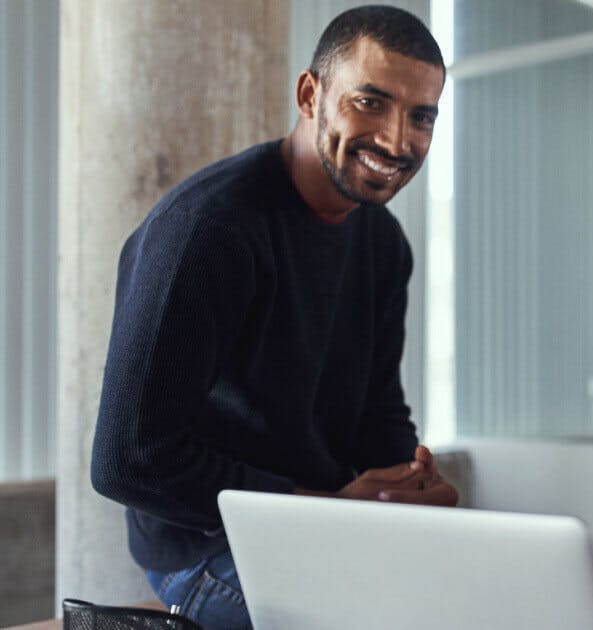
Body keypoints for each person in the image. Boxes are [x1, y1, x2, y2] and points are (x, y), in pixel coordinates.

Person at [91, 6, 455, 629]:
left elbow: (376, 411)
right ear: (310, 94)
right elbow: (129, 459)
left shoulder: (384, 243)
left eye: (421, 116)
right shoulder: (207, 232)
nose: (398, 141)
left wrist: (406, 489)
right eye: (370, 102)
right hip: (208, 551)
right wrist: (325, 508)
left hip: (321, 527)